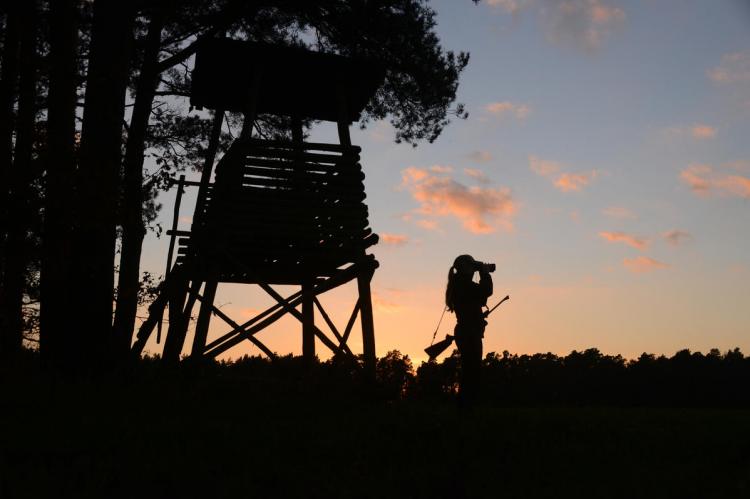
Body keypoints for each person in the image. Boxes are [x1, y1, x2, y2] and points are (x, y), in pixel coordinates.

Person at [445, 254, 493, 407]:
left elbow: (479, 298)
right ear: (464, 268)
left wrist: (478, 315)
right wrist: (484, 273)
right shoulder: (463, 284)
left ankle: (466, 407)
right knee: (472, 373)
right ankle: (466, 407)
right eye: (471, 265)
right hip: (469, 332)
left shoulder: (460, 284)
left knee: (470, 371)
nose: (474, 269)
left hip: (467, 331)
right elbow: (486, 291)